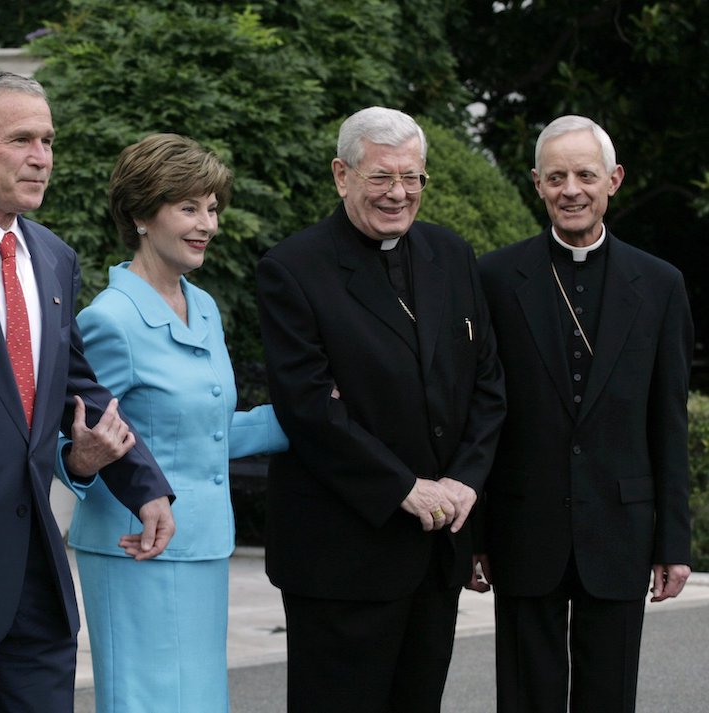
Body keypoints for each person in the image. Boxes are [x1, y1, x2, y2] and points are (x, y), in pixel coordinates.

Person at [0, 71, 176, 713]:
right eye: (21, 139)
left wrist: (143, 483)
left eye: (48, 140)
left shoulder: (52, 256)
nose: (42, 157)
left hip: (35, 569)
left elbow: (76, 381)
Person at [255, 106, 506, 713]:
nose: (399, 194)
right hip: (343, 556)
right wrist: (405, 488)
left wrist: (465, 482)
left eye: (413, 177)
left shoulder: (451, 253)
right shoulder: (293, 269)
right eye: (382, 177)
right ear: (342, 175)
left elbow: (488, 382)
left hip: (435, 547)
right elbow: (311, 409)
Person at [63, 133, 289, 712]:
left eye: (212, 207)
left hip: (204, 542)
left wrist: (312, 413)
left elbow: (205, 433)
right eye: (188, 206)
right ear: (140, 214)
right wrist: (80, 466)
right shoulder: (109, 319)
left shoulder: (204, 305)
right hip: (135, 546)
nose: (206, 223)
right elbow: (74, 439)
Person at [476, 115, 694, 713]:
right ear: (537, 185)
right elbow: (480, 416)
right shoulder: (494, 278)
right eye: (556, 177)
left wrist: (673, 541)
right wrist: (474, 533)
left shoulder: (660, 283)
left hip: (621, 529)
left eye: (584, 175)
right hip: (524, 527)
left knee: (609, 696)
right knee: (526, 698)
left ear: (613, 181)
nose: (571, 189)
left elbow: (667, 420)